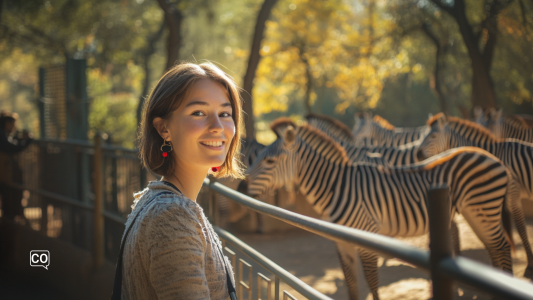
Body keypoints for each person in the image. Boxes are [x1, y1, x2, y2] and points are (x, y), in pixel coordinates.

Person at [119, 62, 245, 299]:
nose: (217, 127)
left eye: (225, 114)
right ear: (163, 128)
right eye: (198, 113)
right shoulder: (172, 216)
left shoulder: (158, 201)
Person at [0, 113, 32, 223]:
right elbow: (12, 147)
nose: (15, 128)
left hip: (5, 178)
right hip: (4, 178)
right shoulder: (1, 136)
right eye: (13, 124)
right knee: (8, 203)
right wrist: (28, 140)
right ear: (7, 123)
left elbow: (11, 143)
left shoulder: (3, 135)